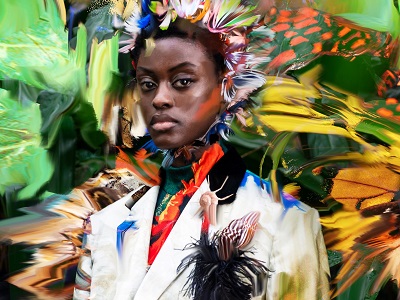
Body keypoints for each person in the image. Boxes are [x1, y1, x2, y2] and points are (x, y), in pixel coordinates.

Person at [73, 2, 330, 300]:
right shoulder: (107, 222)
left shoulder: (285, 221)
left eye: (183, 81)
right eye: (147, 83)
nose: (160, 99)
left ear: (226, 87)